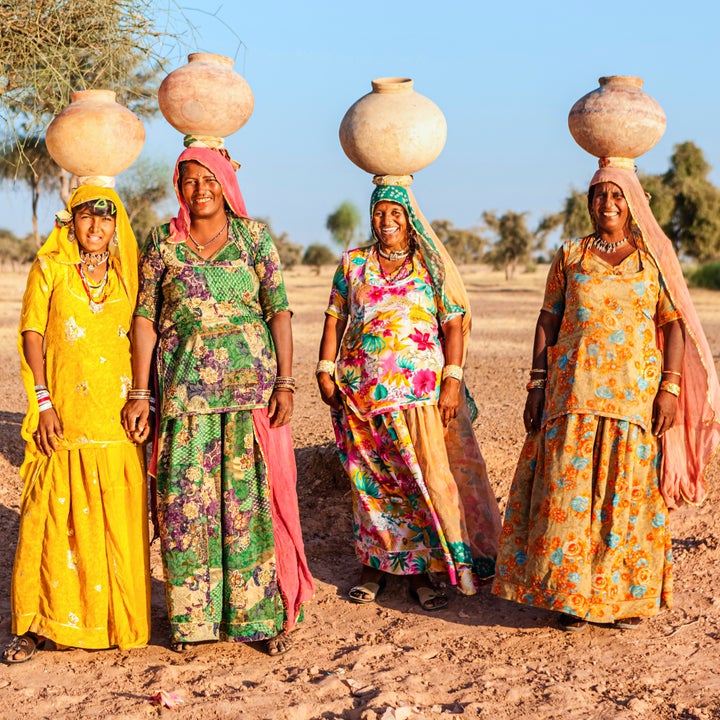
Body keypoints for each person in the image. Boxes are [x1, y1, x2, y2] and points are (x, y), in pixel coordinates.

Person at [492, 161, 720, 632]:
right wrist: (537, 383)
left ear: (633, 201)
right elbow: (548, 319)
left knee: (627, 498)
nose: (608, 205)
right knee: (566, 495)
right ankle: (571, 598)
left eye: (617, 195)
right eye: (599, 196)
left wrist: (670, 388)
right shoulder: (571, 255)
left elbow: (672, 324)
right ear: (588, 203)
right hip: (571, 396)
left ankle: (622, 601)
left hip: (633, 402)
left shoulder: (652, 258)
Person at [121, 144, 313, 655]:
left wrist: (286, 383)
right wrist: (140, 392)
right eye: (189, 181)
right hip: (184, 396)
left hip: (249, 396)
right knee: (185, 509)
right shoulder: (163, 242)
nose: (200, 190)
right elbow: (143, 318)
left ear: (226, 183)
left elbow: (280, 312)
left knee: (248, 509)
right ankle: (193, 621)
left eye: (210, 179)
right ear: (178, 187)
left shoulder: (254, 238)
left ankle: (259, 618)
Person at [317, 179, 502, 610]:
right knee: (373, 486)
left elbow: (453, 322)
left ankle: (428, 573)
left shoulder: (429, 267)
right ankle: (376, 568)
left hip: (420, 395)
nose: (386, 221)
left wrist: (452, 380)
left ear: (410, 218)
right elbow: (335, 318)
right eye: (380, 212)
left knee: (425, 483)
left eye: (395, 213)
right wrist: (325, 370)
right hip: (361, 397)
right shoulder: (353, 264)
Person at [2, 186, 151, 664]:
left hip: (117, 422)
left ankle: (109, 624)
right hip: (62, 418)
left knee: (114, 524)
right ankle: (36, 624)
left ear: (116, 226)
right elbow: (32, 333)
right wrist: (42, 402)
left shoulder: (129, 276)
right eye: (88, 217)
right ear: (72, 222)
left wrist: (142, 398)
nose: (97, 228)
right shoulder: (51, 269)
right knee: (51, 521)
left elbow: (144, 336)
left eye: (106, 221)